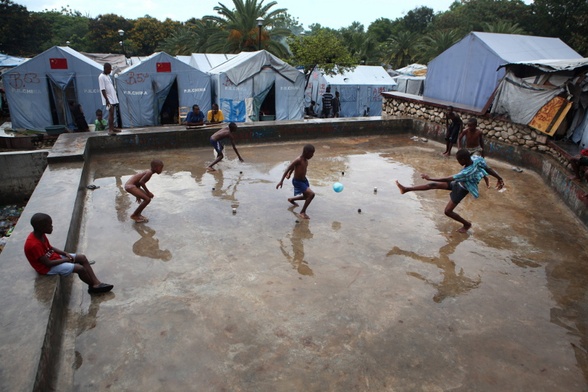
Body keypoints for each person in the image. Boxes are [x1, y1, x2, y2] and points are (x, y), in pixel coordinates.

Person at [395, 149, 504, 233]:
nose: (458, 162)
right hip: (458, 183)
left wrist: (429, 177)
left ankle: (466, 224)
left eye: (458, 161)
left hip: (462, 189)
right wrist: (499, 178)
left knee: (448, 211)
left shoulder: (467, 171)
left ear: (464, 160)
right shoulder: (477, 158)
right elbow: (488, 169)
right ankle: (406, 189)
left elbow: (447, 179)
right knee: (432, 185)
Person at [24, 213, 114, 294]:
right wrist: (65, 260)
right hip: (46, 268)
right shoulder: (34, 244)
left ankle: (96, 283)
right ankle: (93, 287)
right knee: (80, 269)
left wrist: (65, 253)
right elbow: (48, 263)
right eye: (49, 225)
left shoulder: (40, 235)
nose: (52, 226)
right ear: (41, 227)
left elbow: (50, 248)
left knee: (82, 257)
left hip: (53, 258)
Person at [276, 144, 316, 220]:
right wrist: (281, 181)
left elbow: (295, 168)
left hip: (304, 180)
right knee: (311, 194)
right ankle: (302, 212)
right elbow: (288, 168)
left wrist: (290, 173)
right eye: (311, 153)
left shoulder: (305, 160)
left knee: (306, 196)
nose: (312, 155)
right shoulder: (299, 160)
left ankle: (292, 199)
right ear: (306, 152)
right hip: (298, 181)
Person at [124, 159, 164, 223]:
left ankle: (138, 214)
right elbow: (141, 182)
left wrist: (138, 195)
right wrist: (148, 192)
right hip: (130, 186)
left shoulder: (149, 171)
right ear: (155, 168)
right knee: (147, 199)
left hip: (132, 186)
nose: (161, 170)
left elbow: (138, 182)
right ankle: (134, 215)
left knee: (148, 198)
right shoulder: (149, 173)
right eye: (161, 168)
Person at [98, 63, 120, 135]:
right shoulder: (101, 77)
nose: (110, 71)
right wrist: (107, 100)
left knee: (112, 113)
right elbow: (103, 89)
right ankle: (110, 129)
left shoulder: (107, 76)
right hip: (108, 99)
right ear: (106, 69)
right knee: (110, 113)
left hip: (112, 98)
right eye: (109, 69)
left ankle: (112, 128)